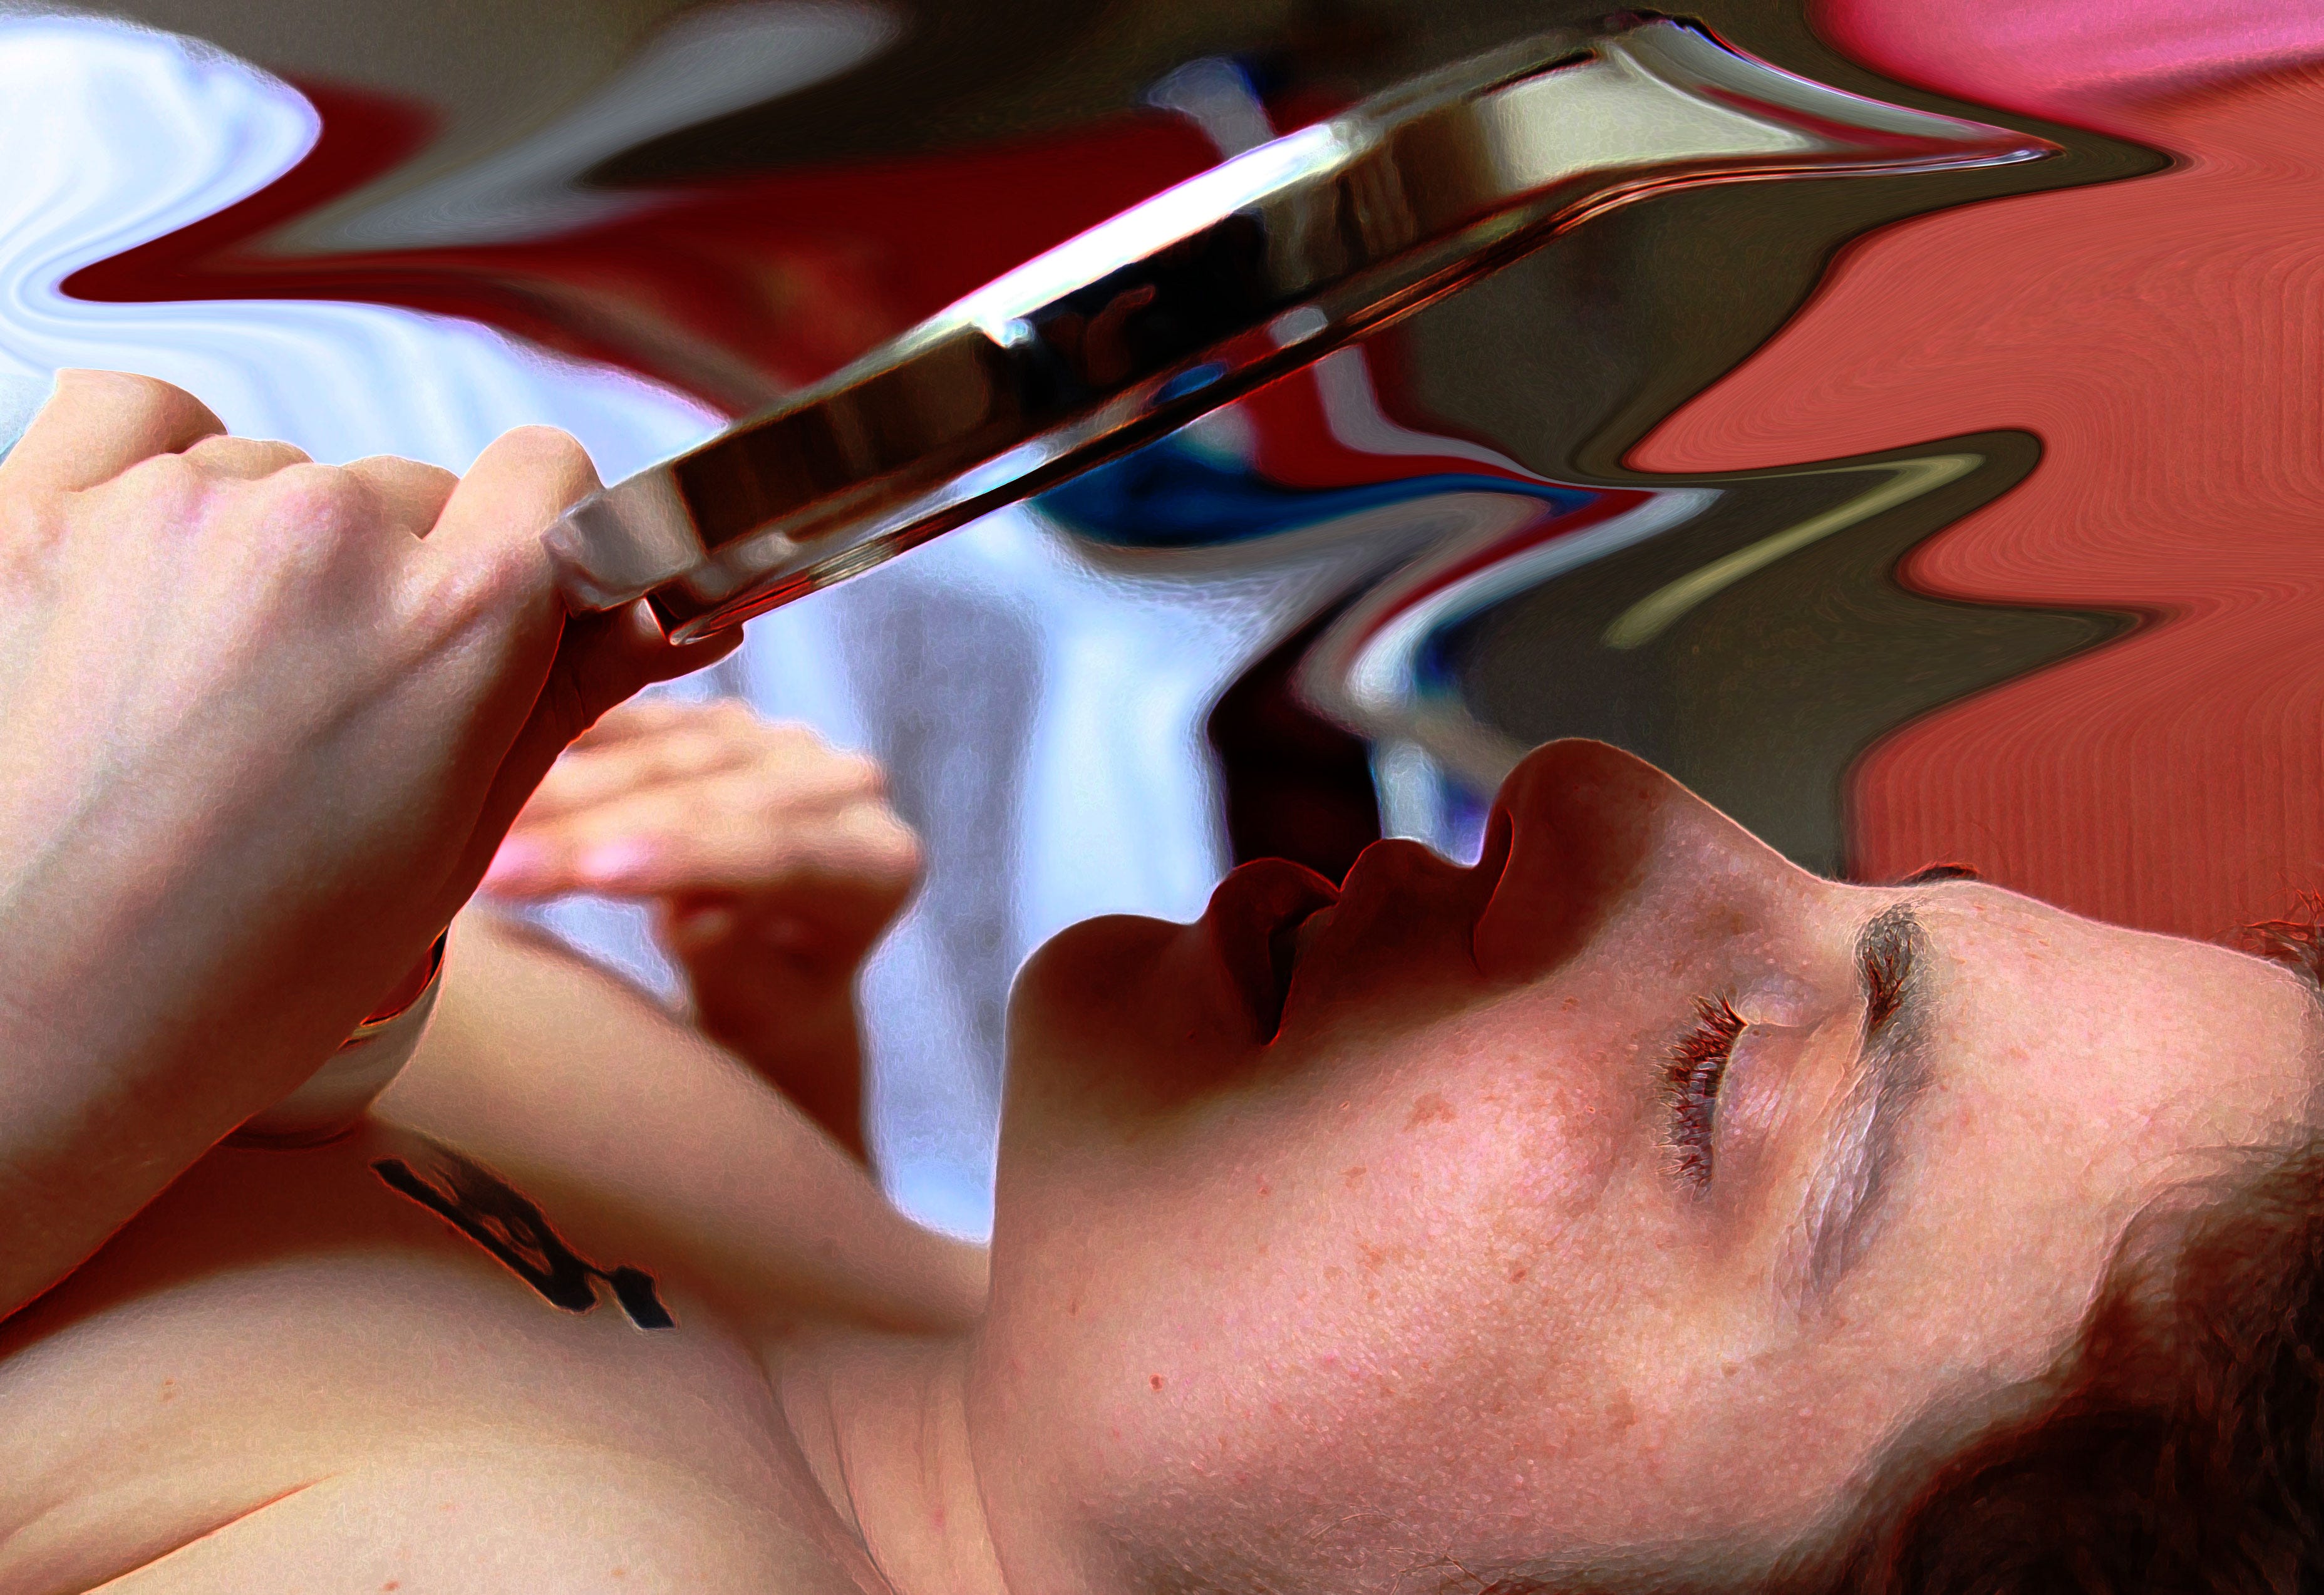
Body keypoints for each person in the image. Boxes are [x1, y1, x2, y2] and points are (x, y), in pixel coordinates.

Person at [1, 371, 2321, 1594]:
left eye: (1729, 1086)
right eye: (1872, 879)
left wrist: (66, 977)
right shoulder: (928, 1351)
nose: (1604, 797)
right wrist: (740, 1050)